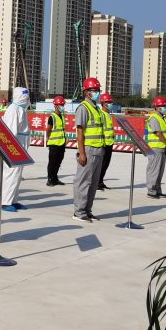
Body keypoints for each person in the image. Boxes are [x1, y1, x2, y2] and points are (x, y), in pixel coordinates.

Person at [73, 77, 105, 223]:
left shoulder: (97, 109)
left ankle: (87, 210)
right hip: (88, 150)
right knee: (83, 182)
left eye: (98, 90)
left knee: (93, 183)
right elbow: (80, 132)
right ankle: (79, 212)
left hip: (98, 150)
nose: (97, 93)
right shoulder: (83, 108)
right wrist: (82, 153)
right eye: (94, 90)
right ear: (86, 92)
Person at [1, 87, 31, 212]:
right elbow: (11, 132)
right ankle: (6, 202)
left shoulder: (21, 109)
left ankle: (14, 200)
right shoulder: (13, 110)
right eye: (25, 97)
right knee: (11, 174)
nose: (27, 99)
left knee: (17, 175)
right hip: (15, 146)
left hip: (21, 145)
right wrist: (13, 149)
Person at [145, 96, 166, 199]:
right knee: (154, 170)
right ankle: (151, 191)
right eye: (163, 106)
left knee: (160, 171)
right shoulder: (154, 118)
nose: (165, 107)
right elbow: (158, 133)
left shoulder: (163, 118)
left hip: (162, 147)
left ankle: (157, 190)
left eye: (165, 105)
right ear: (157, 107)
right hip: (155, 148)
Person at [45, 95, 67, 187]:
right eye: (61, 105)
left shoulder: (62, 116)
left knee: (58, 162)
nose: (62, 106)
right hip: (54, 144)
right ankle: (50, 179)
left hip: (61, 143)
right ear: (56, 105)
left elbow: (62, 130)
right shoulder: (52, 117)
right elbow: (48, 129)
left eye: (63, 105)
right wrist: (48, 138)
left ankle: (55, 178)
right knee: (52, 162)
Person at [98, 93, 115, 190]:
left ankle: (100, 181)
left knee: (106, 164)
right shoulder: (101, 114)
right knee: (102, 164)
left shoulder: (108, 115)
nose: (110, 104)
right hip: (104, 144)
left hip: (109, 143)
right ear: (103, 103)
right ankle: (97, 182)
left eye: (110, 102)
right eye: (108, 102)